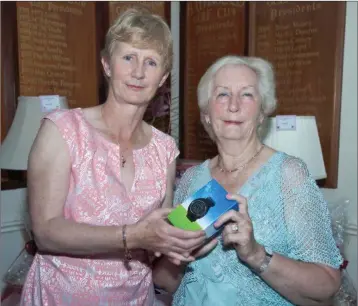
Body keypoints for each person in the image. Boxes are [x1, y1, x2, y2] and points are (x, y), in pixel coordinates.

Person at [20, 9, 206, 306]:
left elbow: (158, 244)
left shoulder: (165, 148)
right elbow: (45, 232)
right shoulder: (62, 130)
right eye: (128, 57)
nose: (139, 72)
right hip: (61, 297)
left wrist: (184, 241)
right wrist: (134, 236)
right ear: (107, 64)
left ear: (163, 78)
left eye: (151, 62)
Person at [153, 55, 343, 306]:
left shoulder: (289, 174)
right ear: (207, 113)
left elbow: (326, 287)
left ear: (262, 113)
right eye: (222, 94)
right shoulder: (191, 180)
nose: (233, 105)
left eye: (247, 94)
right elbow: (164, 282)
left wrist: (255, 254)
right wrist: (180, 256)